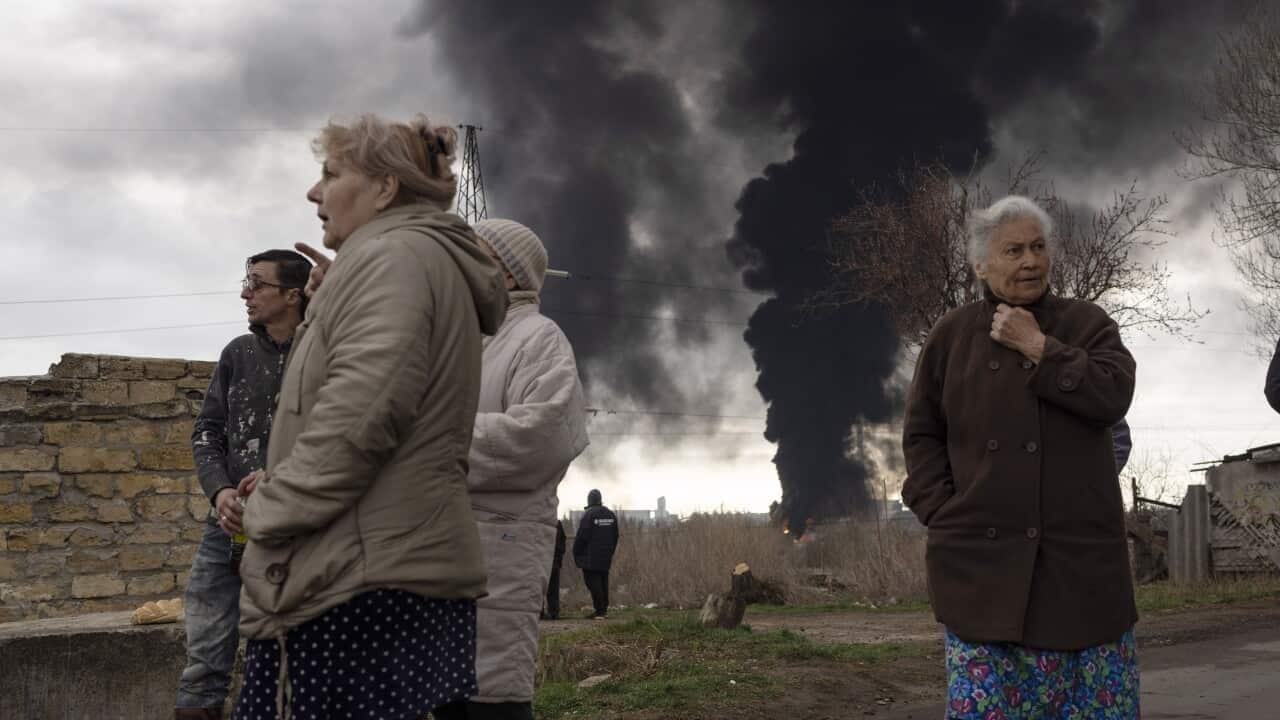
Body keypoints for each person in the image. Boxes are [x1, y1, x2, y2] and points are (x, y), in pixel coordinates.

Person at [232, 113, 508, 720]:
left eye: (331, 174)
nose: (314, 192)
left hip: (357, 587)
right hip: (384, 569)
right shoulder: (402, 259)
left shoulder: (393, 260)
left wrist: (268, 510)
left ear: (386, 188)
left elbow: (358, 424)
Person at [902, 195, 1140, 719]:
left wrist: (1040, 347)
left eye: (1037, 247)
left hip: (1081, 578)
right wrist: (942, 512)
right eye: (1013, 250)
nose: (1030, 260)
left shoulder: (1087, 324)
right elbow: (921, 436)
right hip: (981, 574)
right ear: (982, 264)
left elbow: (1112, 396)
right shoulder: (950, 337)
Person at [435, 218, 588, 719]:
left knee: (492, 694)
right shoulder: (459, 338)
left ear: (506, 272)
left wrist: (433, 445)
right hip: (436, 544)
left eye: (470, 253)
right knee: (443, 695)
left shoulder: (539, 339)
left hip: (499, 547)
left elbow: (543, 438)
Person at [175, 250, 310, 720]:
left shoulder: (323, 354)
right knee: (202, 665)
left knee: (280, 658)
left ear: (292, 295)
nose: (244, 293)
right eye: (245, 282)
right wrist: (220, 491)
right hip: (225, 528)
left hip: (295, 531)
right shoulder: (237, 353)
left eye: (256, 284)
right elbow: (207, 432)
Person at [573, 489, 619, 619]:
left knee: (592, 582)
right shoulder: (610, 515)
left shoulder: (589, 515)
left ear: (589, 501)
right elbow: (616, 535)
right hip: (606, 555)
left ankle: (599, 611)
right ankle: (603, 609)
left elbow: (582, 536)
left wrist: (576, 552)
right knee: (603, 580)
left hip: (591, 556)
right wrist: (610, 551)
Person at [544, 520, 567, 621]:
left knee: (537, 586)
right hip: (554, 560)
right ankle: (554, 612)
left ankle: (538, 611)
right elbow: (562, 541)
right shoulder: (556, 522)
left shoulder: (535, 520)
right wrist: (559, 555)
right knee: (553, 587)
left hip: (539, 559)